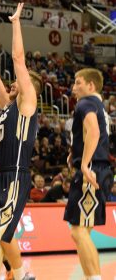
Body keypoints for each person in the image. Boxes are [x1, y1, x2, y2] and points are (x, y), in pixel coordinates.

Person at [0, 3, 41, 280]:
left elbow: (18, 58)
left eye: (19, 81)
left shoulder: (27, 103)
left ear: (29, 87)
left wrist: (15, 22)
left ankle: (20, 275)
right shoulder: (8, 106)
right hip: (0, 175)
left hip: (14, 176)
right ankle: (24, 275)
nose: (13, 83)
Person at [64, 68, 113, 280]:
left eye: (78, 82)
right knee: (84, 231)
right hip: (101, 169)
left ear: (90, 86)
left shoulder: (85, 103)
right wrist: (74, 152)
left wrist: (83, 164)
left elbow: (93, 131)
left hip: (91, 170)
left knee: (78, 231)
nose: (73, 88)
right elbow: (91, 133)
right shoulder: (100, 106)